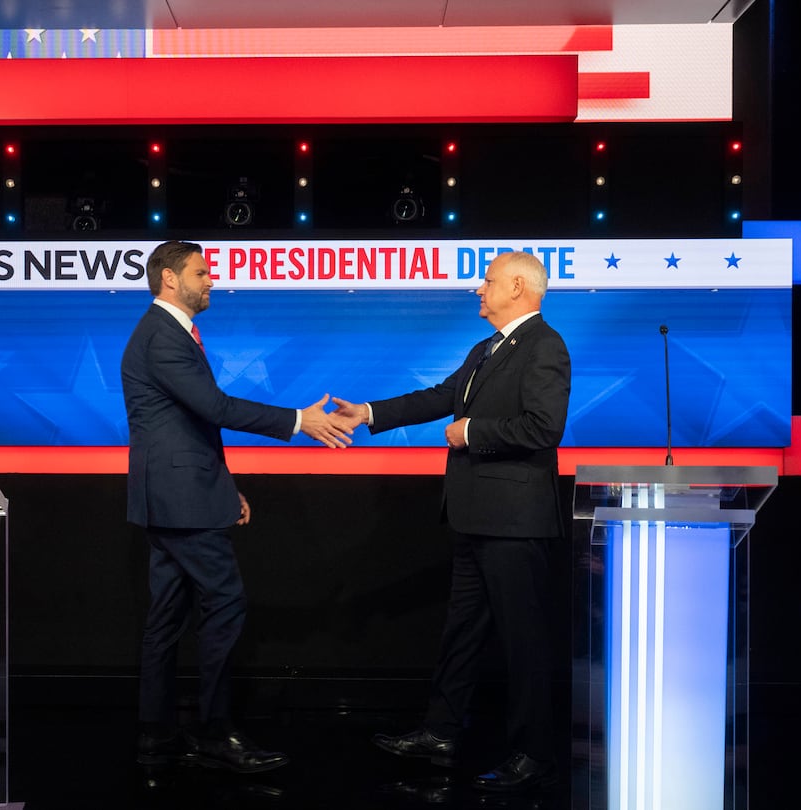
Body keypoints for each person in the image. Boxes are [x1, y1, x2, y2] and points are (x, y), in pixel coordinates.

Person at [331, 250, 571, 793]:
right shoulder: (486, 349)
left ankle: (534, 754)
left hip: (514, 521)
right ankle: (440, 733)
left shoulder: (545, 346)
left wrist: (472, 432)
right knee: (461, 633)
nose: (478, 290)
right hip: (475, 517)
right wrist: (369, 412)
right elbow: (442, 396)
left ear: (517, 286)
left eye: (486, 282)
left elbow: (543, 427)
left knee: (524, 642)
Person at [123, 240, 354, 774]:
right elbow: (215, 407)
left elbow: (191, 425)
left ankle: (155, 736)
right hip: (180, 501)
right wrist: (299, 421)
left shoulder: (169, 333)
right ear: (170, 280)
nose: (212, 281)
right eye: (202, 273)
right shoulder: (162, 335)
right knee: (225, 606)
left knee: (165, 618)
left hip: (180, 496)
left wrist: (224, 486)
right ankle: (216, 733)